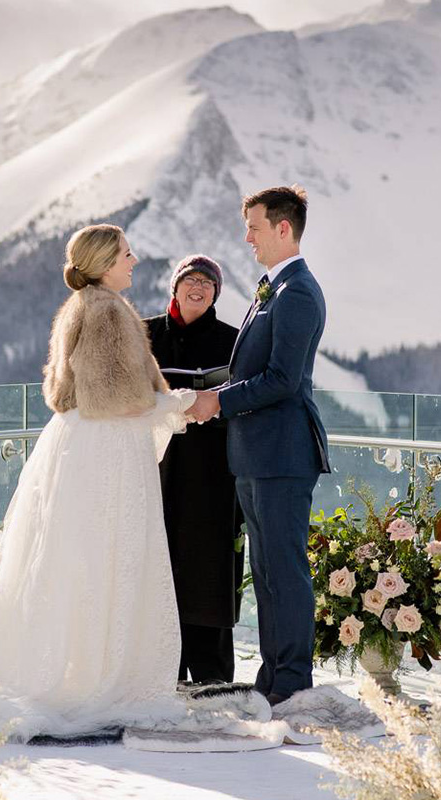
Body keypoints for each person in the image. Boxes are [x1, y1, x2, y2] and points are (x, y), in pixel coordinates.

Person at [0, 224, 196, 741]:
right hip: (105, 452)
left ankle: (88, 667)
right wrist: (182, 402)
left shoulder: (87, 305)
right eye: (125, 253)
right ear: (101, 262)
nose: (135, 259)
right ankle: (101, 678)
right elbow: (111, 396)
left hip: (87, 446)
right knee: (106, 556)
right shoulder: (103, 310)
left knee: (78, 558)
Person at [189, 186, 330, 706]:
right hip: (256, 455)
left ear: (283, 228)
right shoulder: (273, 287)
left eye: (253, 226)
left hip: (283, 455)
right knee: (266, 571)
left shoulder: (298, 292)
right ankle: (272, 677)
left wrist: (216, 403)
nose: (245, 236)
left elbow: (282, 381)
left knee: (285, 571)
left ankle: (291, 681)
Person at [146, 255, 243, 684]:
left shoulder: (233, 340)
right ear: (176, 287)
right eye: (191, 280)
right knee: (157, 559)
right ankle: (159, 670)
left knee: (210, 567)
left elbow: (245, 397)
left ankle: (211, 677)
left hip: (214, 471)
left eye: (208, 282)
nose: (199, 287)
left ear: (216, 293)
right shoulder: (144, 334)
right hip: (156, 467)